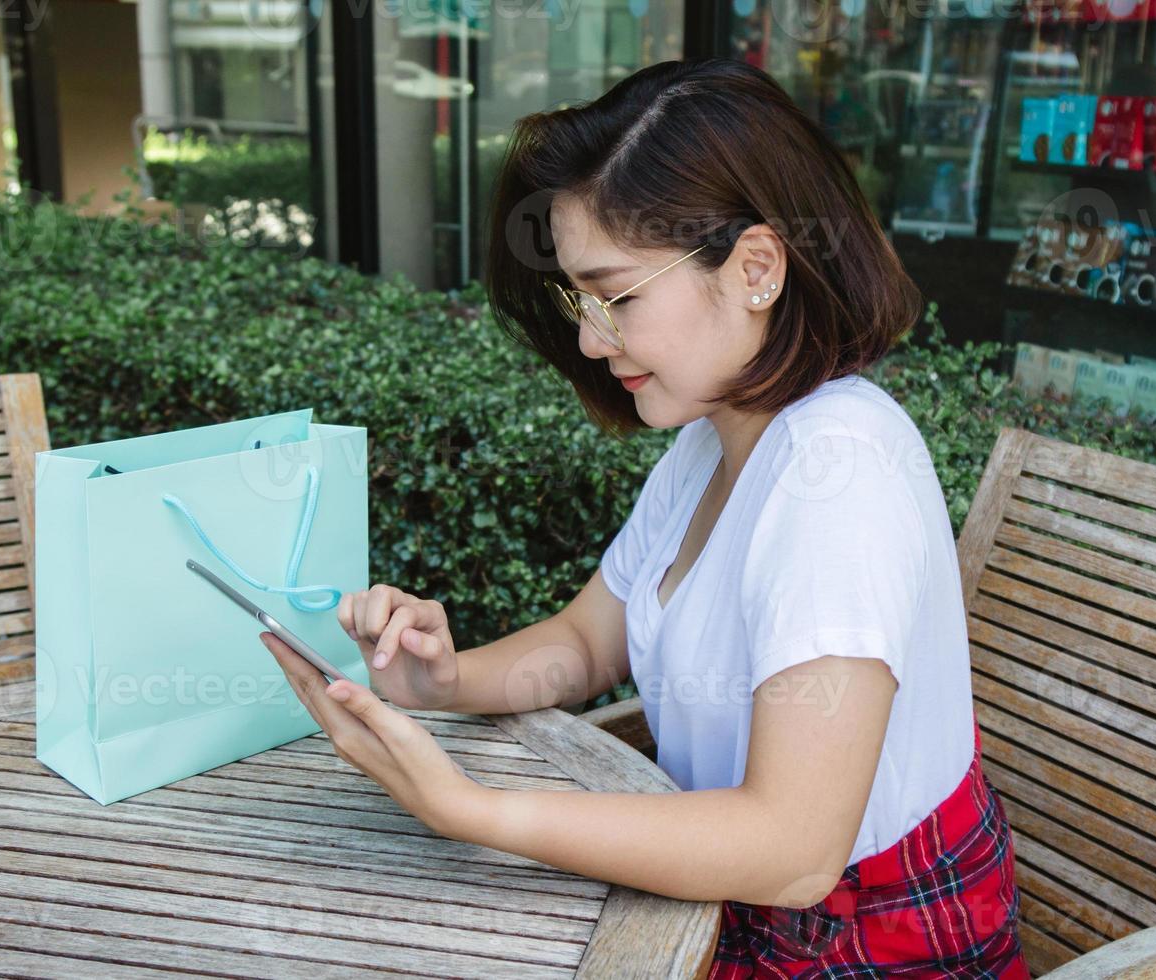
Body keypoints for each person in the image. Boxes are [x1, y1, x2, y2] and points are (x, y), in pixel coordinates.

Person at [260, 57, 1028, 978]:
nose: (591, 338)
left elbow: (794, 850)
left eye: (617, 295)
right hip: (728, 911)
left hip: (856, 947)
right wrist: (440, 680)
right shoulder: (716, 438)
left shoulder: (838, 474)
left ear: (756, 267)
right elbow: (592, 641)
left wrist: (473, 810)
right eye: (580, 300)